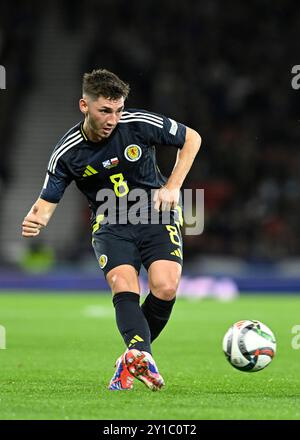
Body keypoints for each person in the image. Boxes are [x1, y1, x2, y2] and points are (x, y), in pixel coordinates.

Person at [22, 69, 201, 391]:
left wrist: (173, 186)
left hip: (155, 213)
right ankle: (140, 355)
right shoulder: (67, 152)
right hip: (111, 223)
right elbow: (46, 202)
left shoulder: (137, 123)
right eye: (105, 110)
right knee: (124, 284)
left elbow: (191, 138)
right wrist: (36, 220)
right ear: (84, 106)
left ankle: (131, 357)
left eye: (118, 110)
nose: (113, 118)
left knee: (165, 287)